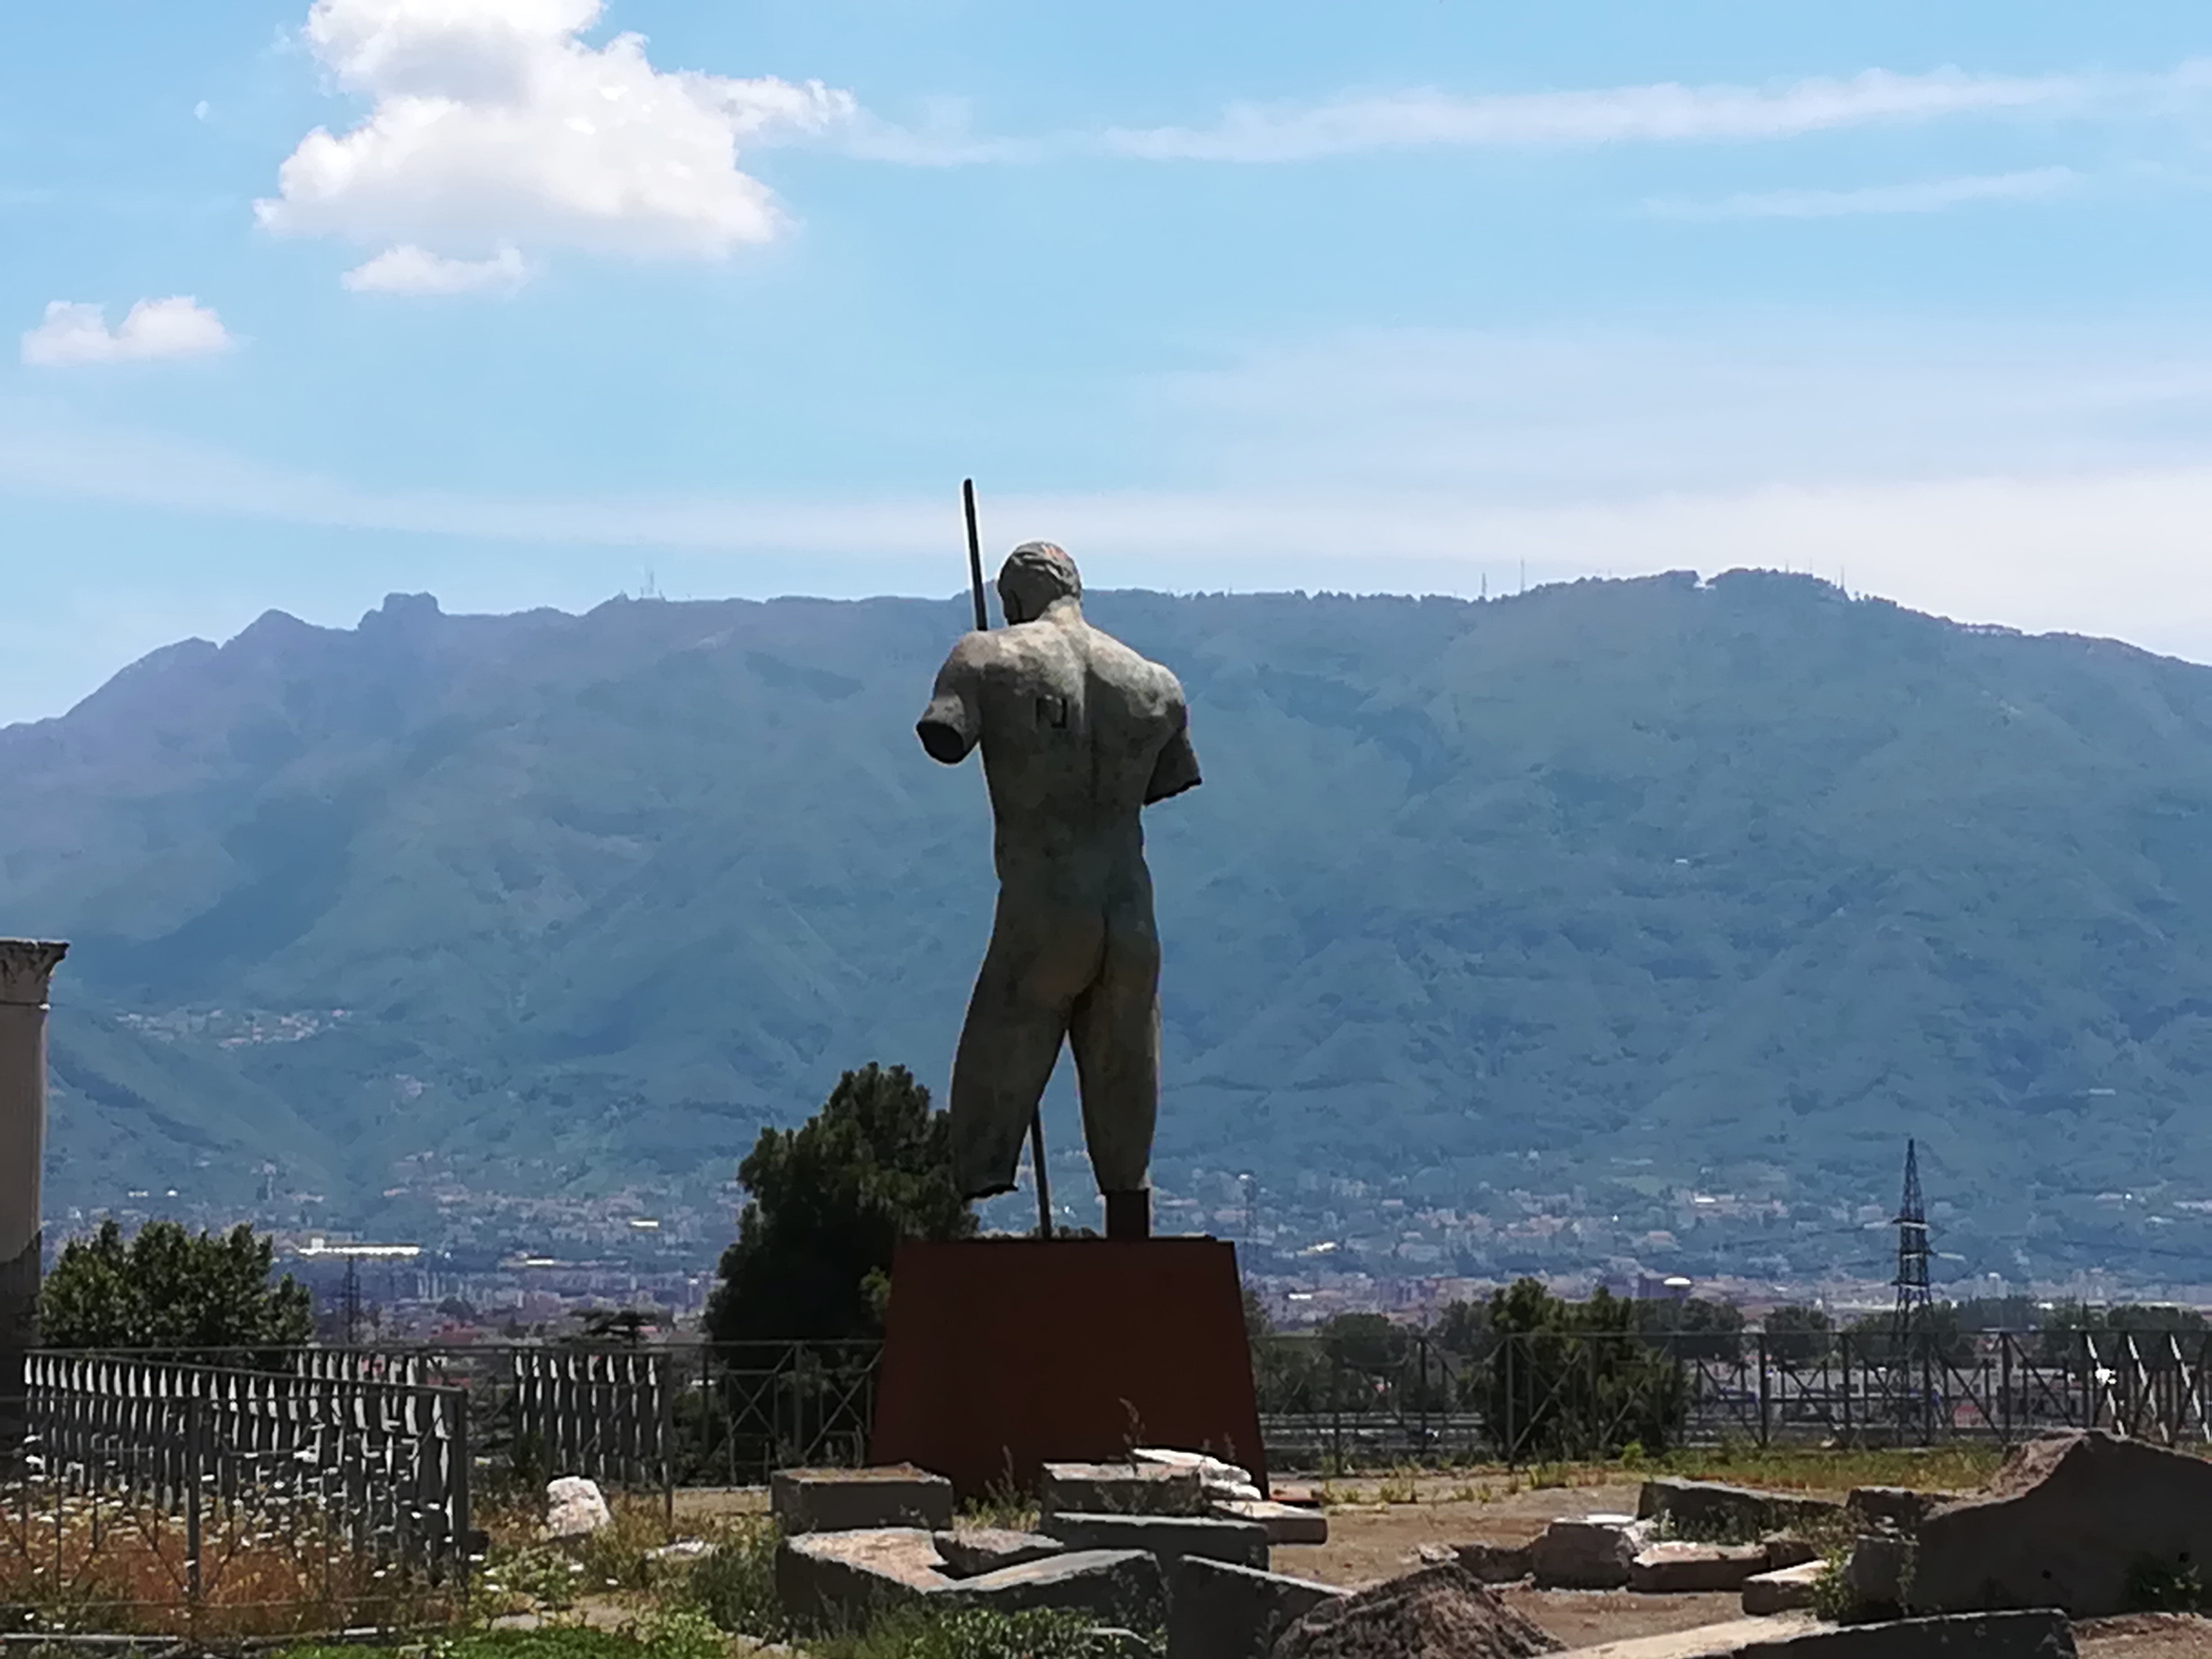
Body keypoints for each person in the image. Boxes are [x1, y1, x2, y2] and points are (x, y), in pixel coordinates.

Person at [916, 542, 1200, 1238]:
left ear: (1013, 600)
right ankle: (1130, 1227)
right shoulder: (1155, 684)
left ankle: (968, 1211)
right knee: (1125, 1070)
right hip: (1130, 914)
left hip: (1045, 907)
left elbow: (944, 733)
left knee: (997, 1056)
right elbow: (1167, 780)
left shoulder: (985, 657)